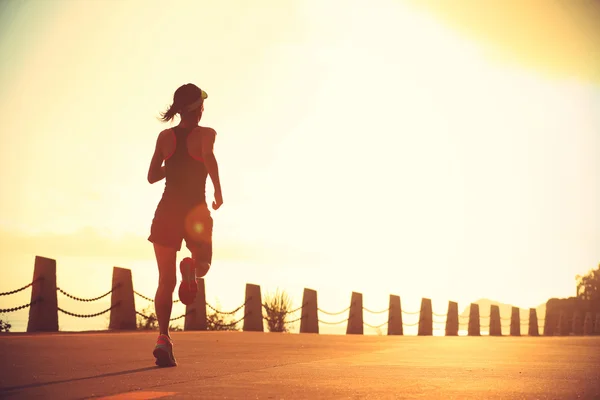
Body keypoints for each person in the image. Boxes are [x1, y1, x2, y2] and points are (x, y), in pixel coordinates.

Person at [146, 83, 223, 367]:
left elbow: (153, 176)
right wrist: (218, 190)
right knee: (203, 264)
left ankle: (163, 338)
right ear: (199, 109)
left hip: (166, 212)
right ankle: (192, 268)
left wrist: (175, 165)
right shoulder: (206, 134)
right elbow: (208, 157)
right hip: (196, 214)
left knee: (165, 281)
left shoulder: (165, 137)